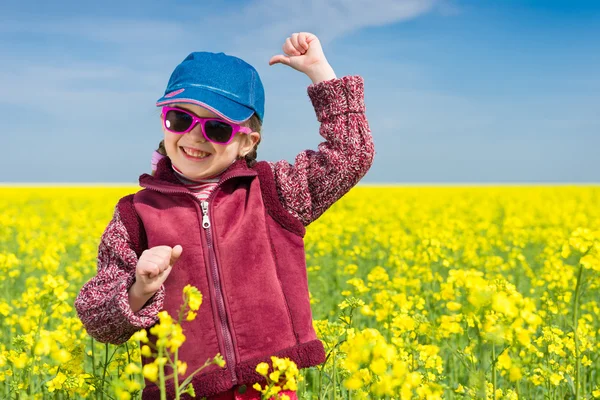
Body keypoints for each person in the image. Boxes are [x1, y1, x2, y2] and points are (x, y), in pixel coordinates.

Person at [75, 32, 374, 399]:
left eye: (216, 127)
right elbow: (97, 318)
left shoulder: (273, 191)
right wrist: (140, 288)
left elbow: (351, 155)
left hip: (269, 386)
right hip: (184, 391)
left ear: (248, 142)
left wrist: (321, 74)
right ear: (163, 122)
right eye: (179, 119)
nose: (195, 138)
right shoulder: (136, 214)